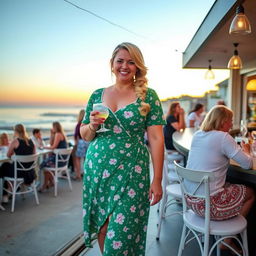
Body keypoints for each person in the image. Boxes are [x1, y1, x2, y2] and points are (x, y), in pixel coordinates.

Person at [80, 42, 165, 255]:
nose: (124, 66)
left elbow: (156, 138)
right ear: (112, 64)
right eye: (120, 61)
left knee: (123, 230)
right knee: (103, 225)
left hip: (132, 171)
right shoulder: (97, 95)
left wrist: (157, 179)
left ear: (138, 67)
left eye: (131, 62)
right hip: (97, 171)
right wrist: (92, 125)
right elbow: (86, 135)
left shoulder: (149, 96)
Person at [186, 105, 255, 251]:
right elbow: (248, 164)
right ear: (223, 121)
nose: (231, 124)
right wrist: (247, 150)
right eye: (230, 120)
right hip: (209, 206)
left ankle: (225, 232)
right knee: (251, 193)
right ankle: (227, 240)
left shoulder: (198, 135)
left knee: (226, 185)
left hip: (191, 202)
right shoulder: (223, 137)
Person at [0, 124, 36, 203]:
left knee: (4, 166)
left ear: (16, 131)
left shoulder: (15, 141)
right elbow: (34, 155)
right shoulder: (31, 141)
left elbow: (8, 155)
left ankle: (6, 194)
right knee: (8, 167)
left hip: (19, 173)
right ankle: (11, 189)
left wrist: (15, 153)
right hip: (29, 172)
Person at [39, 122, 67, 192]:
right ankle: (51, 182)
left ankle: (45, 185)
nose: (52, 128)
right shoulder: (60, 134)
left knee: (44, 166)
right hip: (63, 161)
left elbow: (53, 147)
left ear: (55, 127)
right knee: (47, 165)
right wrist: (51, 134)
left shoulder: (58, 134)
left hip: (59, 161)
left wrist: (43, 147)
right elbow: (52, 144)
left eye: (53, 127)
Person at [72, 109, 89, 181]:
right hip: (88, 142)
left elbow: (76, 135)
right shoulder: (88, 124)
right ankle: (86, 175)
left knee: (78, 159)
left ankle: (78, 175)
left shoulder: (79, 124)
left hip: (81, 142)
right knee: (86, 160)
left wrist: (76, 144)